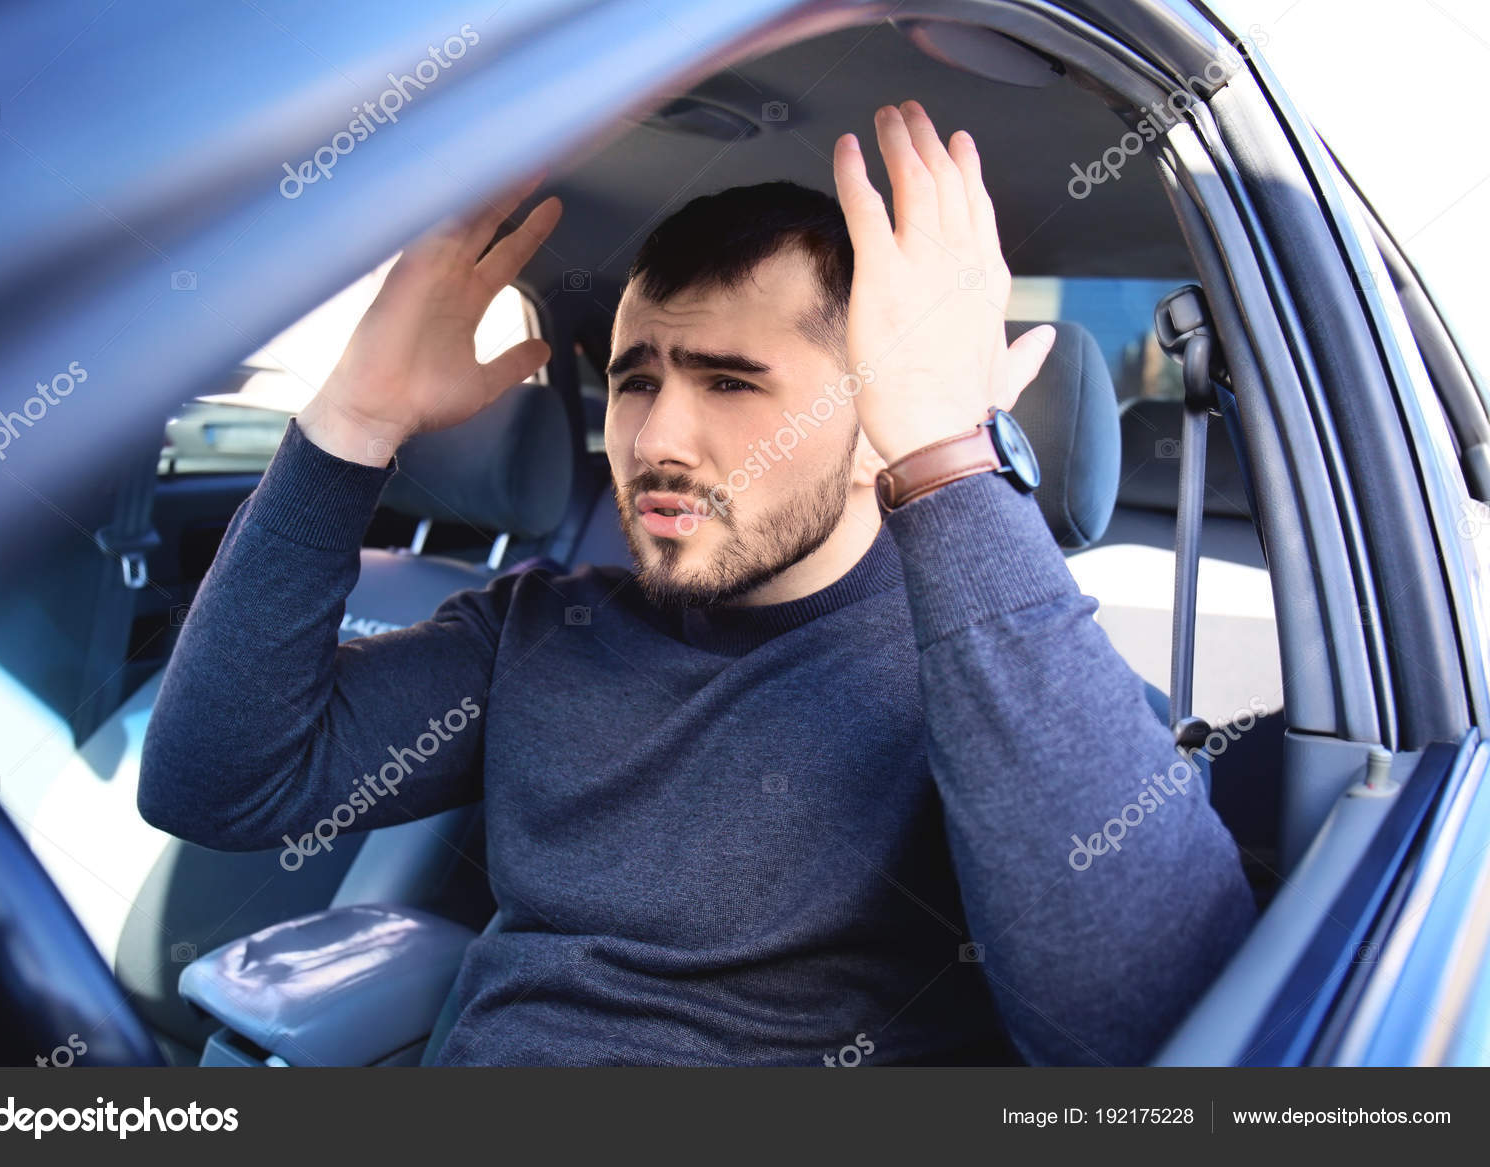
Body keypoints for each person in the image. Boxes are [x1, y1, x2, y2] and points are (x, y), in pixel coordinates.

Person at [139, 100, 1254, 1066]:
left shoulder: (1005, 681)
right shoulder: (539, 628)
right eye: (636, 381)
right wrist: (353, 423)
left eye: (731, 382)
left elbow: (1140, 1028)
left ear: (874, 423)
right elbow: (217, 784)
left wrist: (952, 464)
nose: (657, 438)